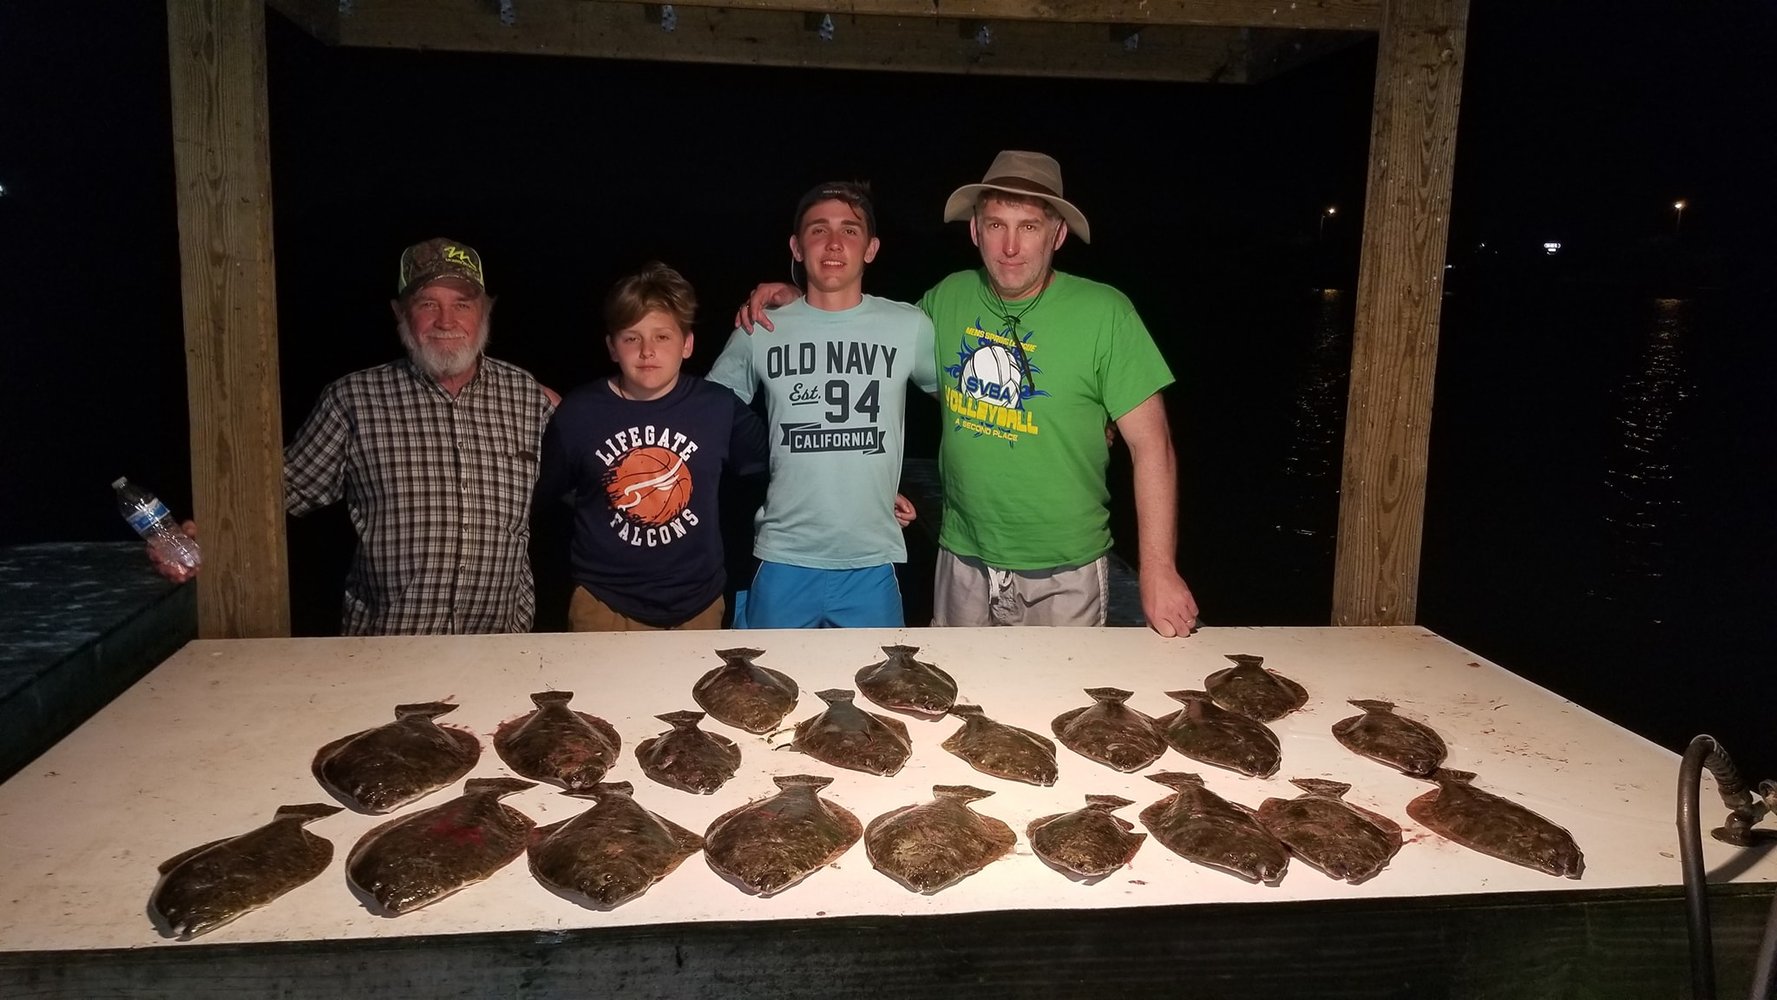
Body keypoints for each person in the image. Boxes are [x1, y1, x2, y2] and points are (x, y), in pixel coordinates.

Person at [738, 152, 1199, 636]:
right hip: (962, 558)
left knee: (1057, 702)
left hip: (1065, 565)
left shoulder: (1106, 312)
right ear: (975, 230)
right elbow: (872, 353)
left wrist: (1158, 569)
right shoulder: (946, 298)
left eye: (1029, 227)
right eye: (996, 224)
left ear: (1057, 235)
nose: (1010, 247)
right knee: (957, 702)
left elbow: (1153, 446)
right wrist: (808, 303)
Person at [152, 237, 558, 636]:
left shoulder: (526, 395)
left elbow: (597, 473)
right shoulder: (353, 399)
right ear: (400, 312)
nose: (446, 321)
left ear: (485, 311)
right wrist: (202, 534)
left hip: (500, 645)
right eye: (427, 304)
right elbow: (277, 493)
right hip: (387, 644)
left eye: (462, 305)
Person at [708, 181, 937, 628]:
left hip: (872, 559)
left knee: (878, 691)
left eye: (850, 231)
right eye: (818, 230)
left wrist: (877, 480)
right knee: (765, 689)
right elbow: (701, 414)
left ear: (871, 248)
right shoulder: (761, 325)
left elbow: (965, 412)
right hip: (782, 556)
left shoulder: (908, 325)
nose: (833, 243)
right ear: (796, 246)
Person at [535, 263, 767, 631]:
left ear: (687, 344)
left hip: (699, 606)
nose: (647, 351)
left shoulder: (719, 409)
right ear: (612, 347)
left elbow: (782, 464)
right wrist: (603, 493)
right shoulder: (579, 413)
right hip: (604, 606)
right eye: (632, 338)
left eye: (662, 337)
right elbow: (541, 493)